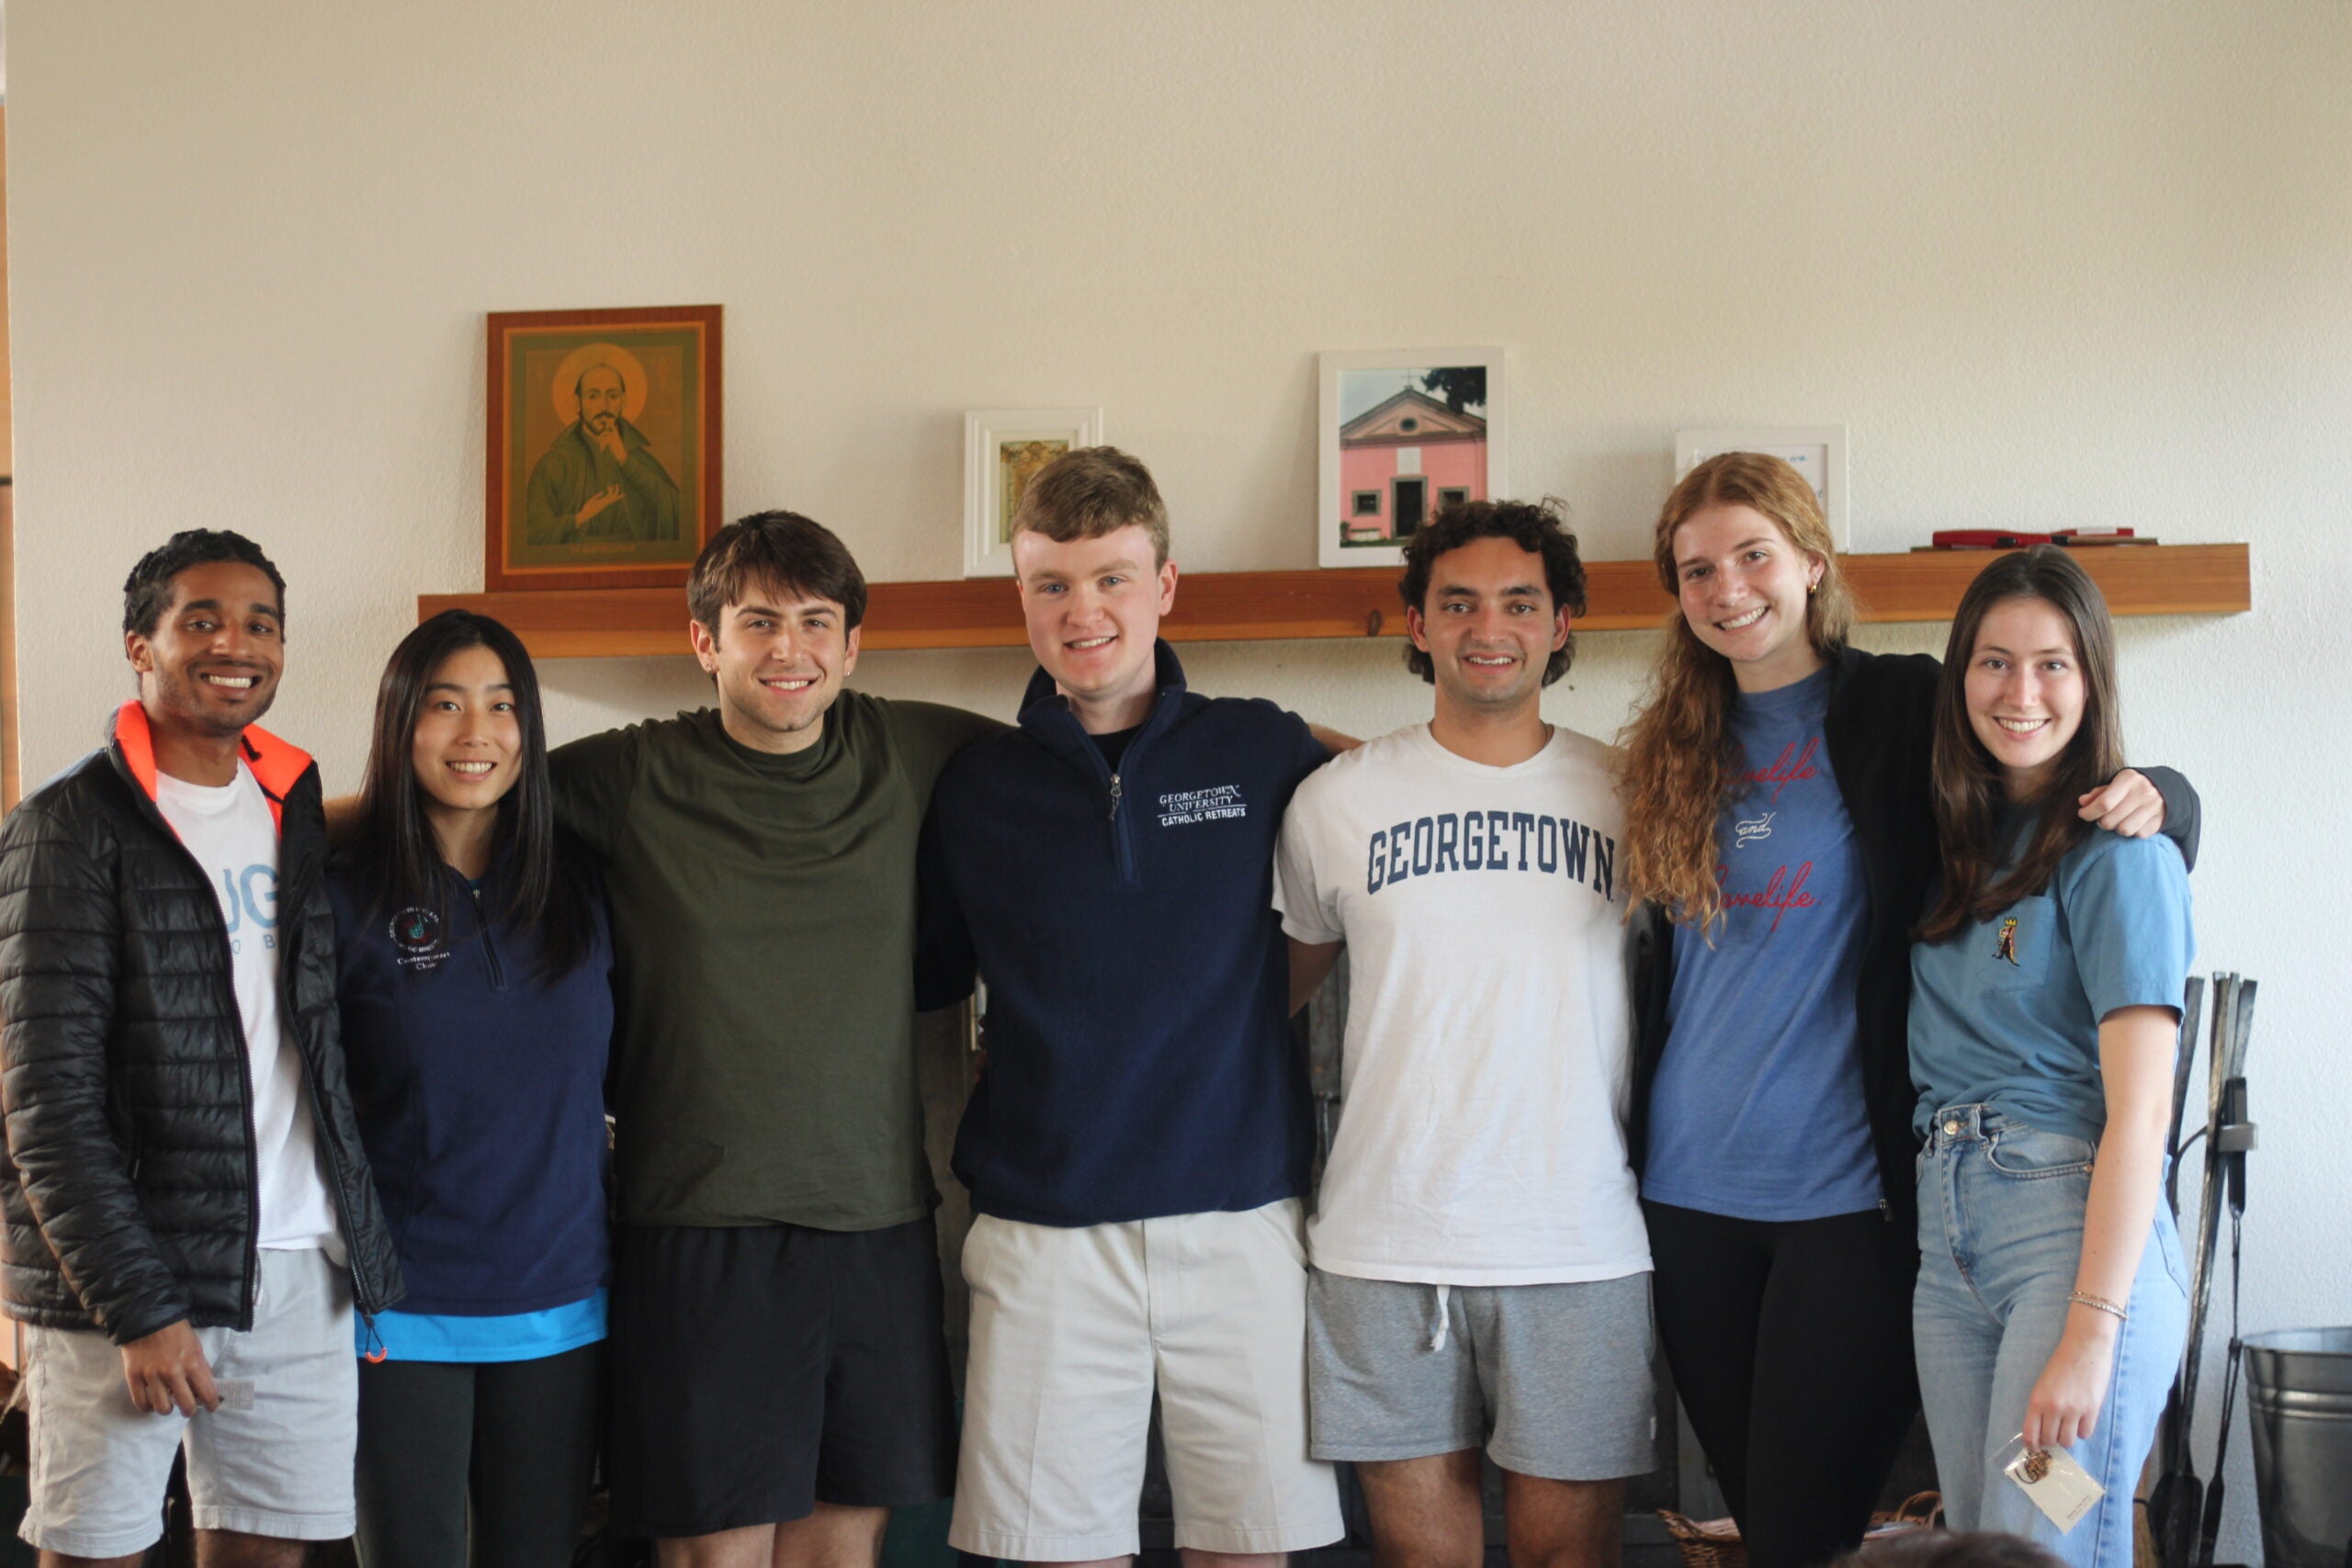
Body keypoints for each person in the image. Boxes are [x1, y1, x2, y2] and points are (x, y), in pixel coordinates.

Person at [1613, 455, 2197, 1568]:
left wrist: (2165, 795)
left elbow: (2050, 759)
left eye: (1753, 555)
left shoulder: (1898, 711)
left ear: (1811, 563)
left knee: (1998, 1526)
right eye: (1696, 570)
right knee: (1883, 1525)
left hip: (1870, 1195)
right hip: (1703, 1197)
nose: (1727, 588)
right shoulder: (1667, 746)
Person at [917, 447, 1346, 1568]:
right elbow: (927, 976)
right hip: (1044, 1233)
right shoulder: (975, 786)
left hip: (1241, 1216)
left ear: (1164, 585)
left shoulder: (1261, 746)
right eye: (1052, 584)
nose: (1084, 611)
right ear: (1022, 595)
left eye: (1112, 578)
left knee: (1247, 1552)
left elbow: (1402, 789)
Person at [550, 512, 1000, 1566]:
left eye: (814, 622)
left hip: (879, 1224)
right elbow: (447, 786)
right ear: (705, 642)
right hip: (700, 1228)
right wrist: (273, 825)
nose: (787, 649)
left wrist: (1347, 762)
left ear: (852, 644)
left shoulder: (910, 749)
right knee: (718, 1553)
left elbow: (1095, 757)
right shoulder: (631, 774)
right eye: (758, 622)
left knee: (846, 1545)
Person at [0, 529, 403, 1565]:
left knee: (273, 1550)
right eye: (204, 620)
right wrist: (139, 1307)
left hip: (298, 1262)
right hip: (128, 1282)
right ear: (141, 645)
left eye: (261, 623)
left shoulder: (290, 804)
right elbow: (44, 1103)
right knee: (95, 1550)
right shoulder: (66, 825)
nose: (238, 644)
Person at [1275, 499, 1653, 1568]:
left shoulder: (1633, 795)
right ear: (1417, 624)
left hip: (1576, 1243)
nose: (1489, 627)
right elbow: (1267, 1002)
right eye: (1458, 603)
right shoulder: (1334, 803)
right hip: (1381, 1244)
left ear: (1561, 624)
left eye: (1519, 602)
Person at [1908, 546, 2191, 1568]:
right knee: (1984, 1548)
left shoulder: (2122, 852)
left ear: (2090, 678)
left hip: (2068, 1240)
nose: (2019, 692)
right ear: (1960, 676)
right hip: (1949, 1247)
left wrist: (2091, 1329)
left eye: (2051, 664)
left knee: (2047, 1547)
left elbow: (2143, 1114)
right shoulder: (1952, 844)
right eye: (1994, 662)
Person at [330, 610, 613, 1566]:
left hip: (560, 1302)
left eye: (501, 705)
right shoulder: (340, 890)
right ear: (400, 721)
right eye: (445, 704)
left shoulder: (586, 882)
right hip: (399, 1309)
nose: (475, 733)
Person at [524, 361, 684, 545]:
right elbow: (532, 534)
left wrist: (626, 462)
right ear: (577, 403)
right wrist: (578, 519)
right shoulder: (556, 464)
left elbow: (678, 512)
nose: (604, 406)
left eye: (613, 396)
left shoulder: (638, 459)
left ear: (623, 401)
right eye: (593, 396)